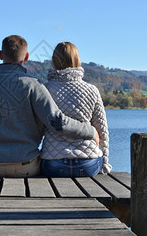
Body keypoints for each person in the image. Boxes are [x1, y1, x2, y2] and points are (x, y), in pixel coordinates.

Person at [0, 35, 99, 177]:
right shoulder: (33, 84)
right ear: (26, 57)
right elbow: (57, 122)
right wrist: (91, 132)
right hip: (24, 166)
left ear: (1, 54)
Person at [41, 41, 112, 177]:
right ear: (77, 60)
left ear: (54, 61)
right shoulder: (92, 90)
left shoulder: (45, 90)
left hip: (53, 164)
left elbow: (37, 129)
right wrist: (104, 164)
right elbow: (102, 131)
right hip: (88, 164)